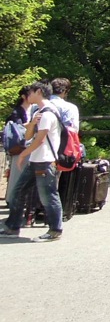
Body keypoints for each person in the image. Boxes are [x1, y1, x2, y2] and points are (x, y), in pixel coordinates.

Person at [0, 81, 64, 241]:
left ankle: (55, 230)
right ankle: (12, 227)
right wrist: (32, 123)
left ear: (39, 92)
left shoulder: (49, 113)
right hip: (35, 160)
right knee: (17, 192)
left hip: (45, 160)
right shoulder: (39, 112)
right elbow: (28, 137)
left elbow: (40, 140)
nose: (28, 95)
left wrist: (23, 154)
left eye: (31, 92)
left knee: (48, 197)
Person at [4, 86, 33, 207]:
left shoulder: (36, 108)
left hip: (32, 144)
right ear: (23, 96)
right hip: (20, 145)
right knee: (17, 171)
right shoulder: (17, 111)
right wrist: (33, 124)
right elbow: (17, 128)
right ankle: (12, 199)